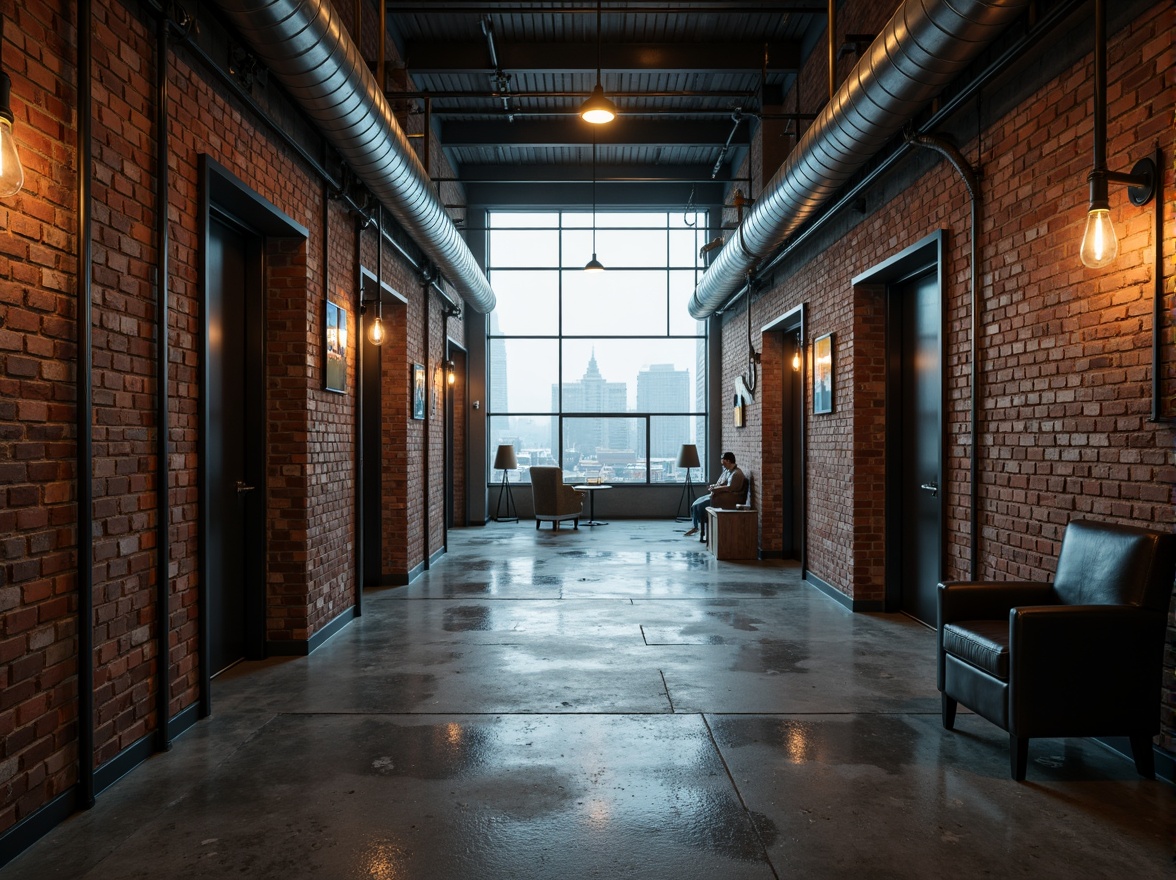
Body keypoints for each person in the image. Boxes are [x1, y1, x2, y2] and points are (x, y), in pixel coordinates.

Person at [684, 451, 745, 542]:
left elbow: (730, 488)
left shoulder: (736, 474)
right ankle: (696, 526)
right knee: (695, 504)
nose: (722, 464)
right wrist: (714, 486)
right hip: (718, 494)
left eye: (723, 462)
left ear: (728, 461)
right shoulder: (727, 472)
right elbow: (720, 483)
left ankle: (701, 531)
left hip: (726, 498)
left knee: (700, 506)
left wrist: (716, 489)